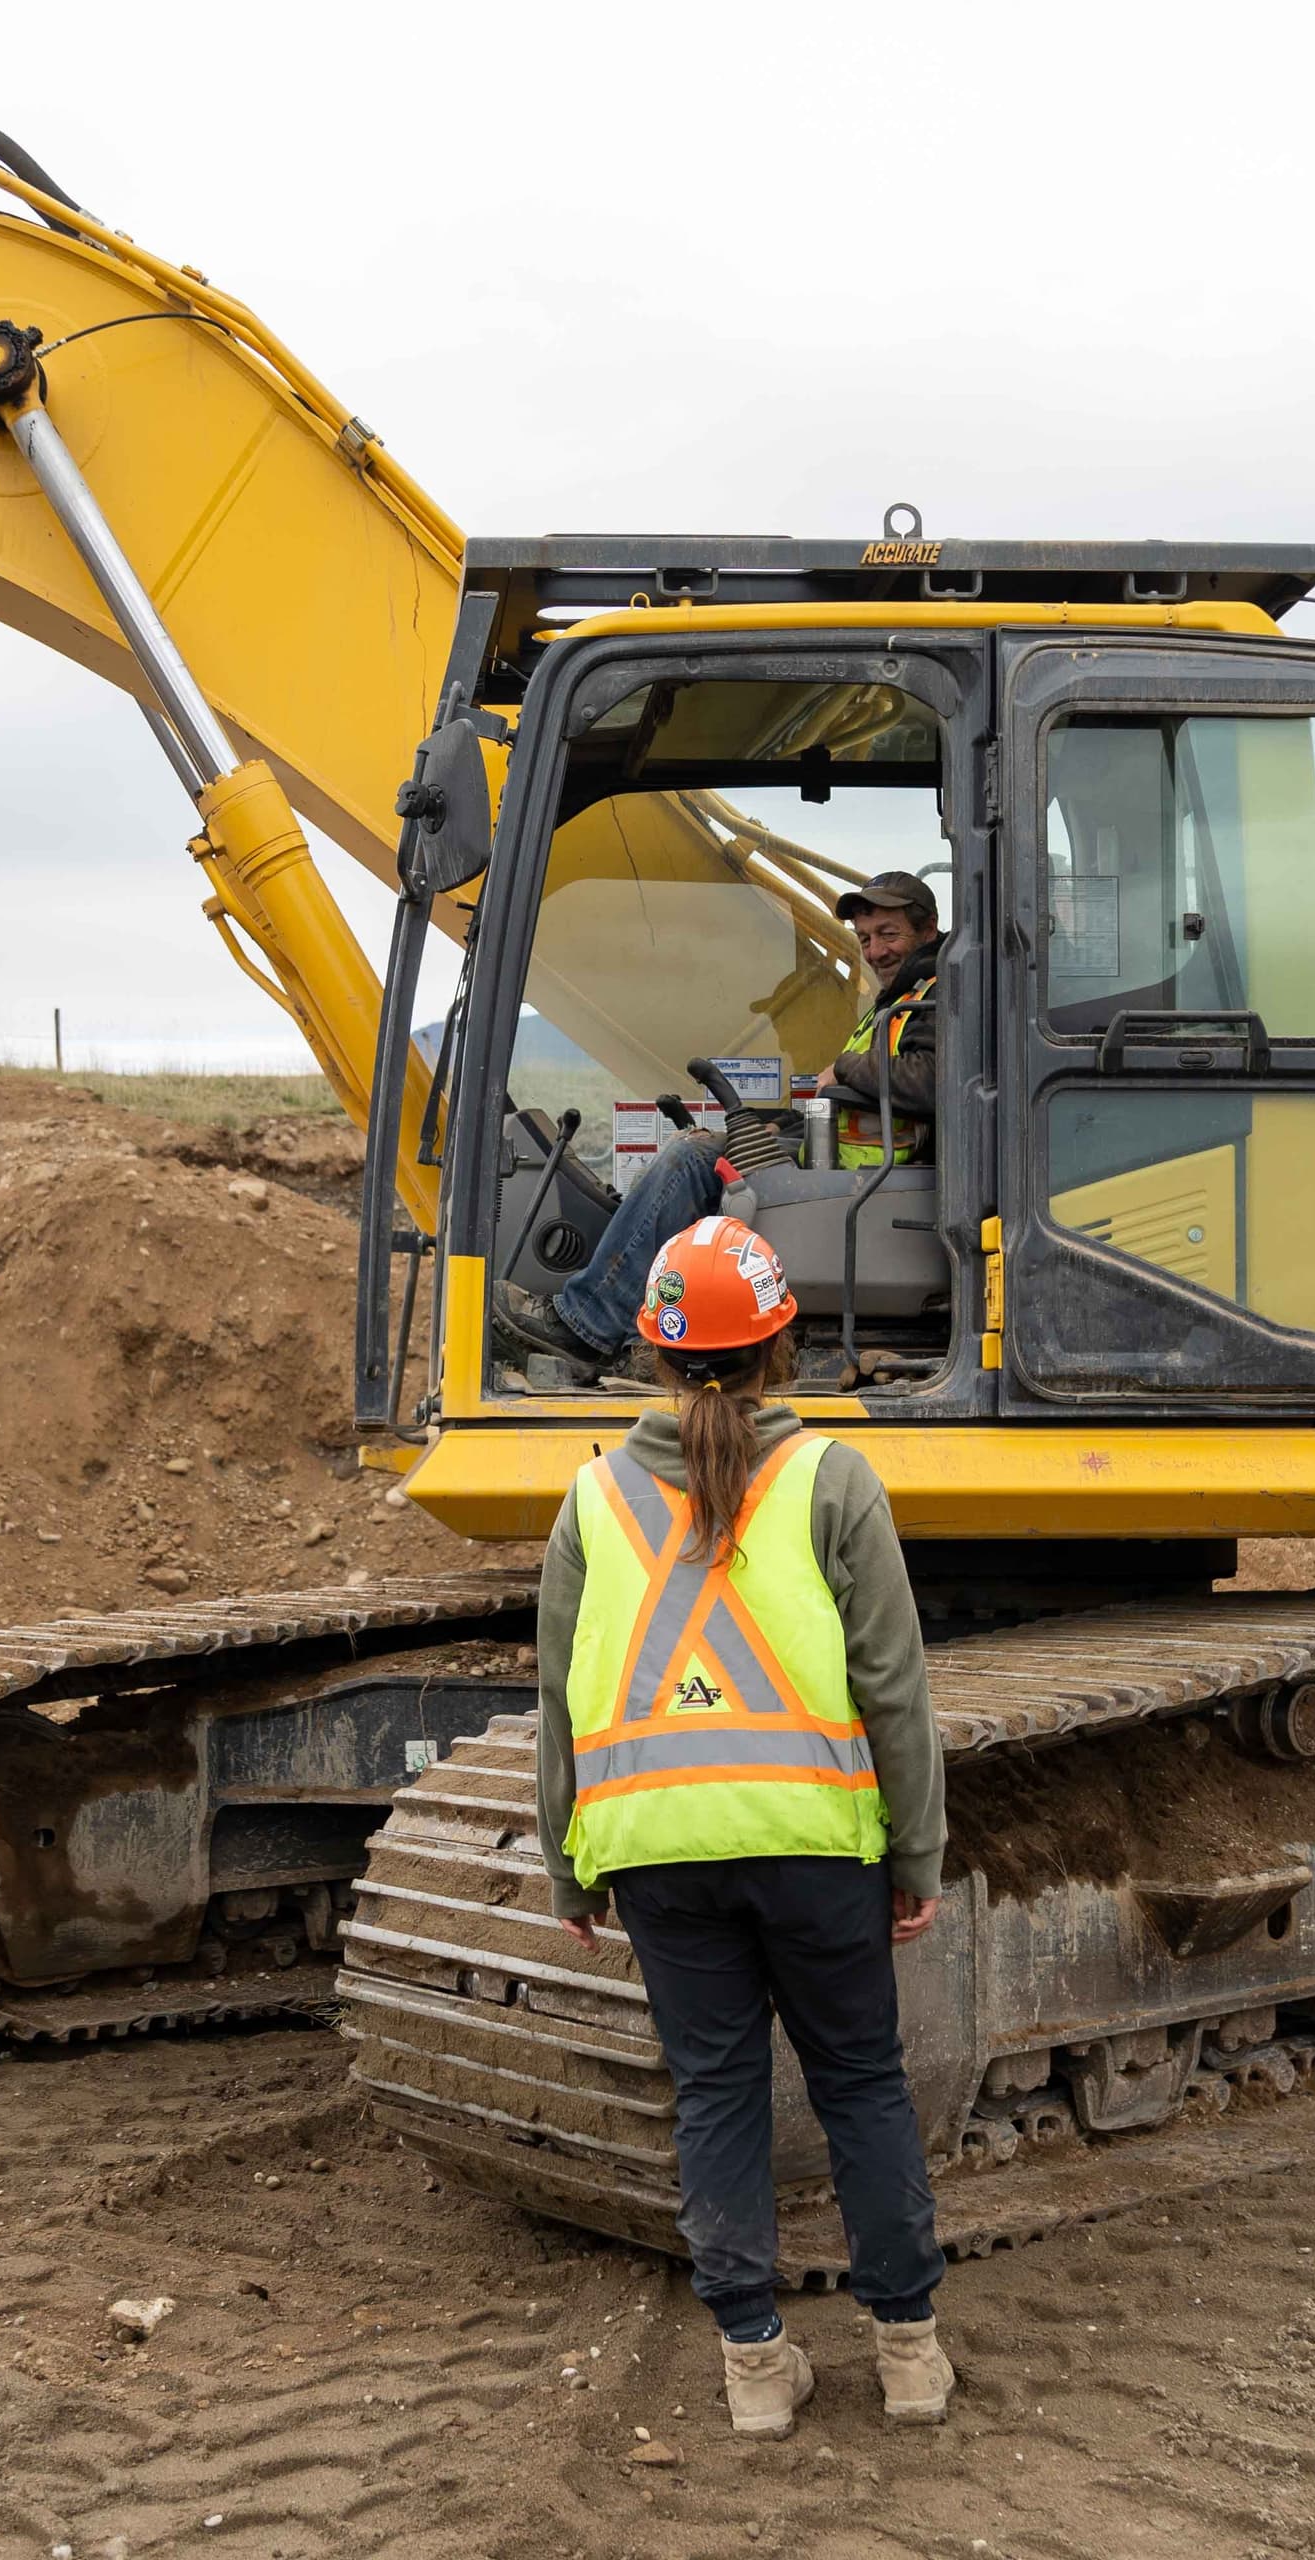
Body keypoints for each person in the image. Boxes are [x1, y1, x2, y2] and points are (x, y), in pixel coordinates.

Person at [531, 1213, 954, 2437]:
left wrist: (571, 1872)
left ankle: (757, 2374)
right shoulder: (834, 1478)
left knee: (715, 2094)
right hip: (818, 1846)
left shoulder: (592, 1498)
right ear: (786, 1345)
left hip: (658, 1857)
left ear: (656, 1357)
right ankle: (911, 2357)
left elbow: (561, 1700)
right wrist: (915, 1853)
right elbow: (895, 1687)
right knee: (861, 2082)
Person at [491, 869, 945, 1376]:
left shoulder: (939, 994)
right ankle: (647, 1334)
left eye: (889, 935)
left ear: (927, 931)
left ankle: (587, 1327)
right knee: (700, 1146)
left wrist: (842, 1067)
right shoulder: (900, 999)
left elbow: (930, 1080)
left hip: (871, 1185)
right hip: (851, 1172)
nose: (876, 951)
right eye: (865, 939)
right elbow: (854, 1107)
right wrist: (780, 1130)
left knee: (691, 1163)